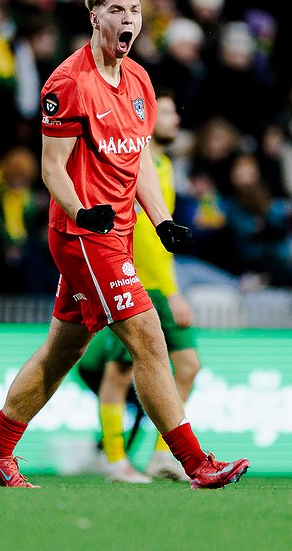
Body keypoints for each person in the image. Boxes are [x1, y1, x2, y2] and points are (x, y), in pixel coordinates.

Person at [0, 0, 248, 490]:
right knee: (148, 338)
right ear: (94, 17)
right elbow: (52, 167)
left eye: (134, 12)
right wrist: (81, 213)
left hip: (117, 232)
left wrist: (162, 220)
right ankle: (195, 464)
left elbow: (139, 158)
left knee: (64, 349)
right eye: (116, 11)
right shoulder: (67, 83)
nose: (127, 21)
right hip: (83, 235)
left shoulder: (140, 80)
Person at [76, 89, 202, 483]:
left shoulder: (162, 165)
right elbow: (143, 236)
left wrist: (172, 286)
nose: (174, 119)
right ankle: (114, 459)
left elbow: (159, 239)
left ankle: (163, 456)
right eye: (164, 112)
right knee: (119, 372)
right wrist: (168, 288)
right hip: (136, 282)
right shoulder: (135, 160)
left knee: (187, 366)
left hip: (162, 285)